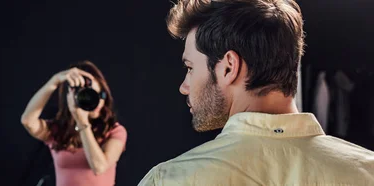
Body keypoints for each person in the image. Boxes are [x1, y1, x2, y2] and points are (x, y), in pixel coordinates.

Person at [138, 0, 374, 185]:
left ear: (229, 66)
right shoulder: (368, 170)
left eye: (190, 68)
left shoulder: (170, 180)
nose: (184, 86)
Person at [21, 60, 127, 186]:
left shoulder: (114, 131)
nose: (97, 102)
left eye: (101, 95)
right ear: (73, 97)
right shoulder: (58, 131)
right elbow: (28, 121)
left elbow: (99, 167)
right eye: (89, 95)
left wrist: (82, 122)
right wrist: (54, 81)